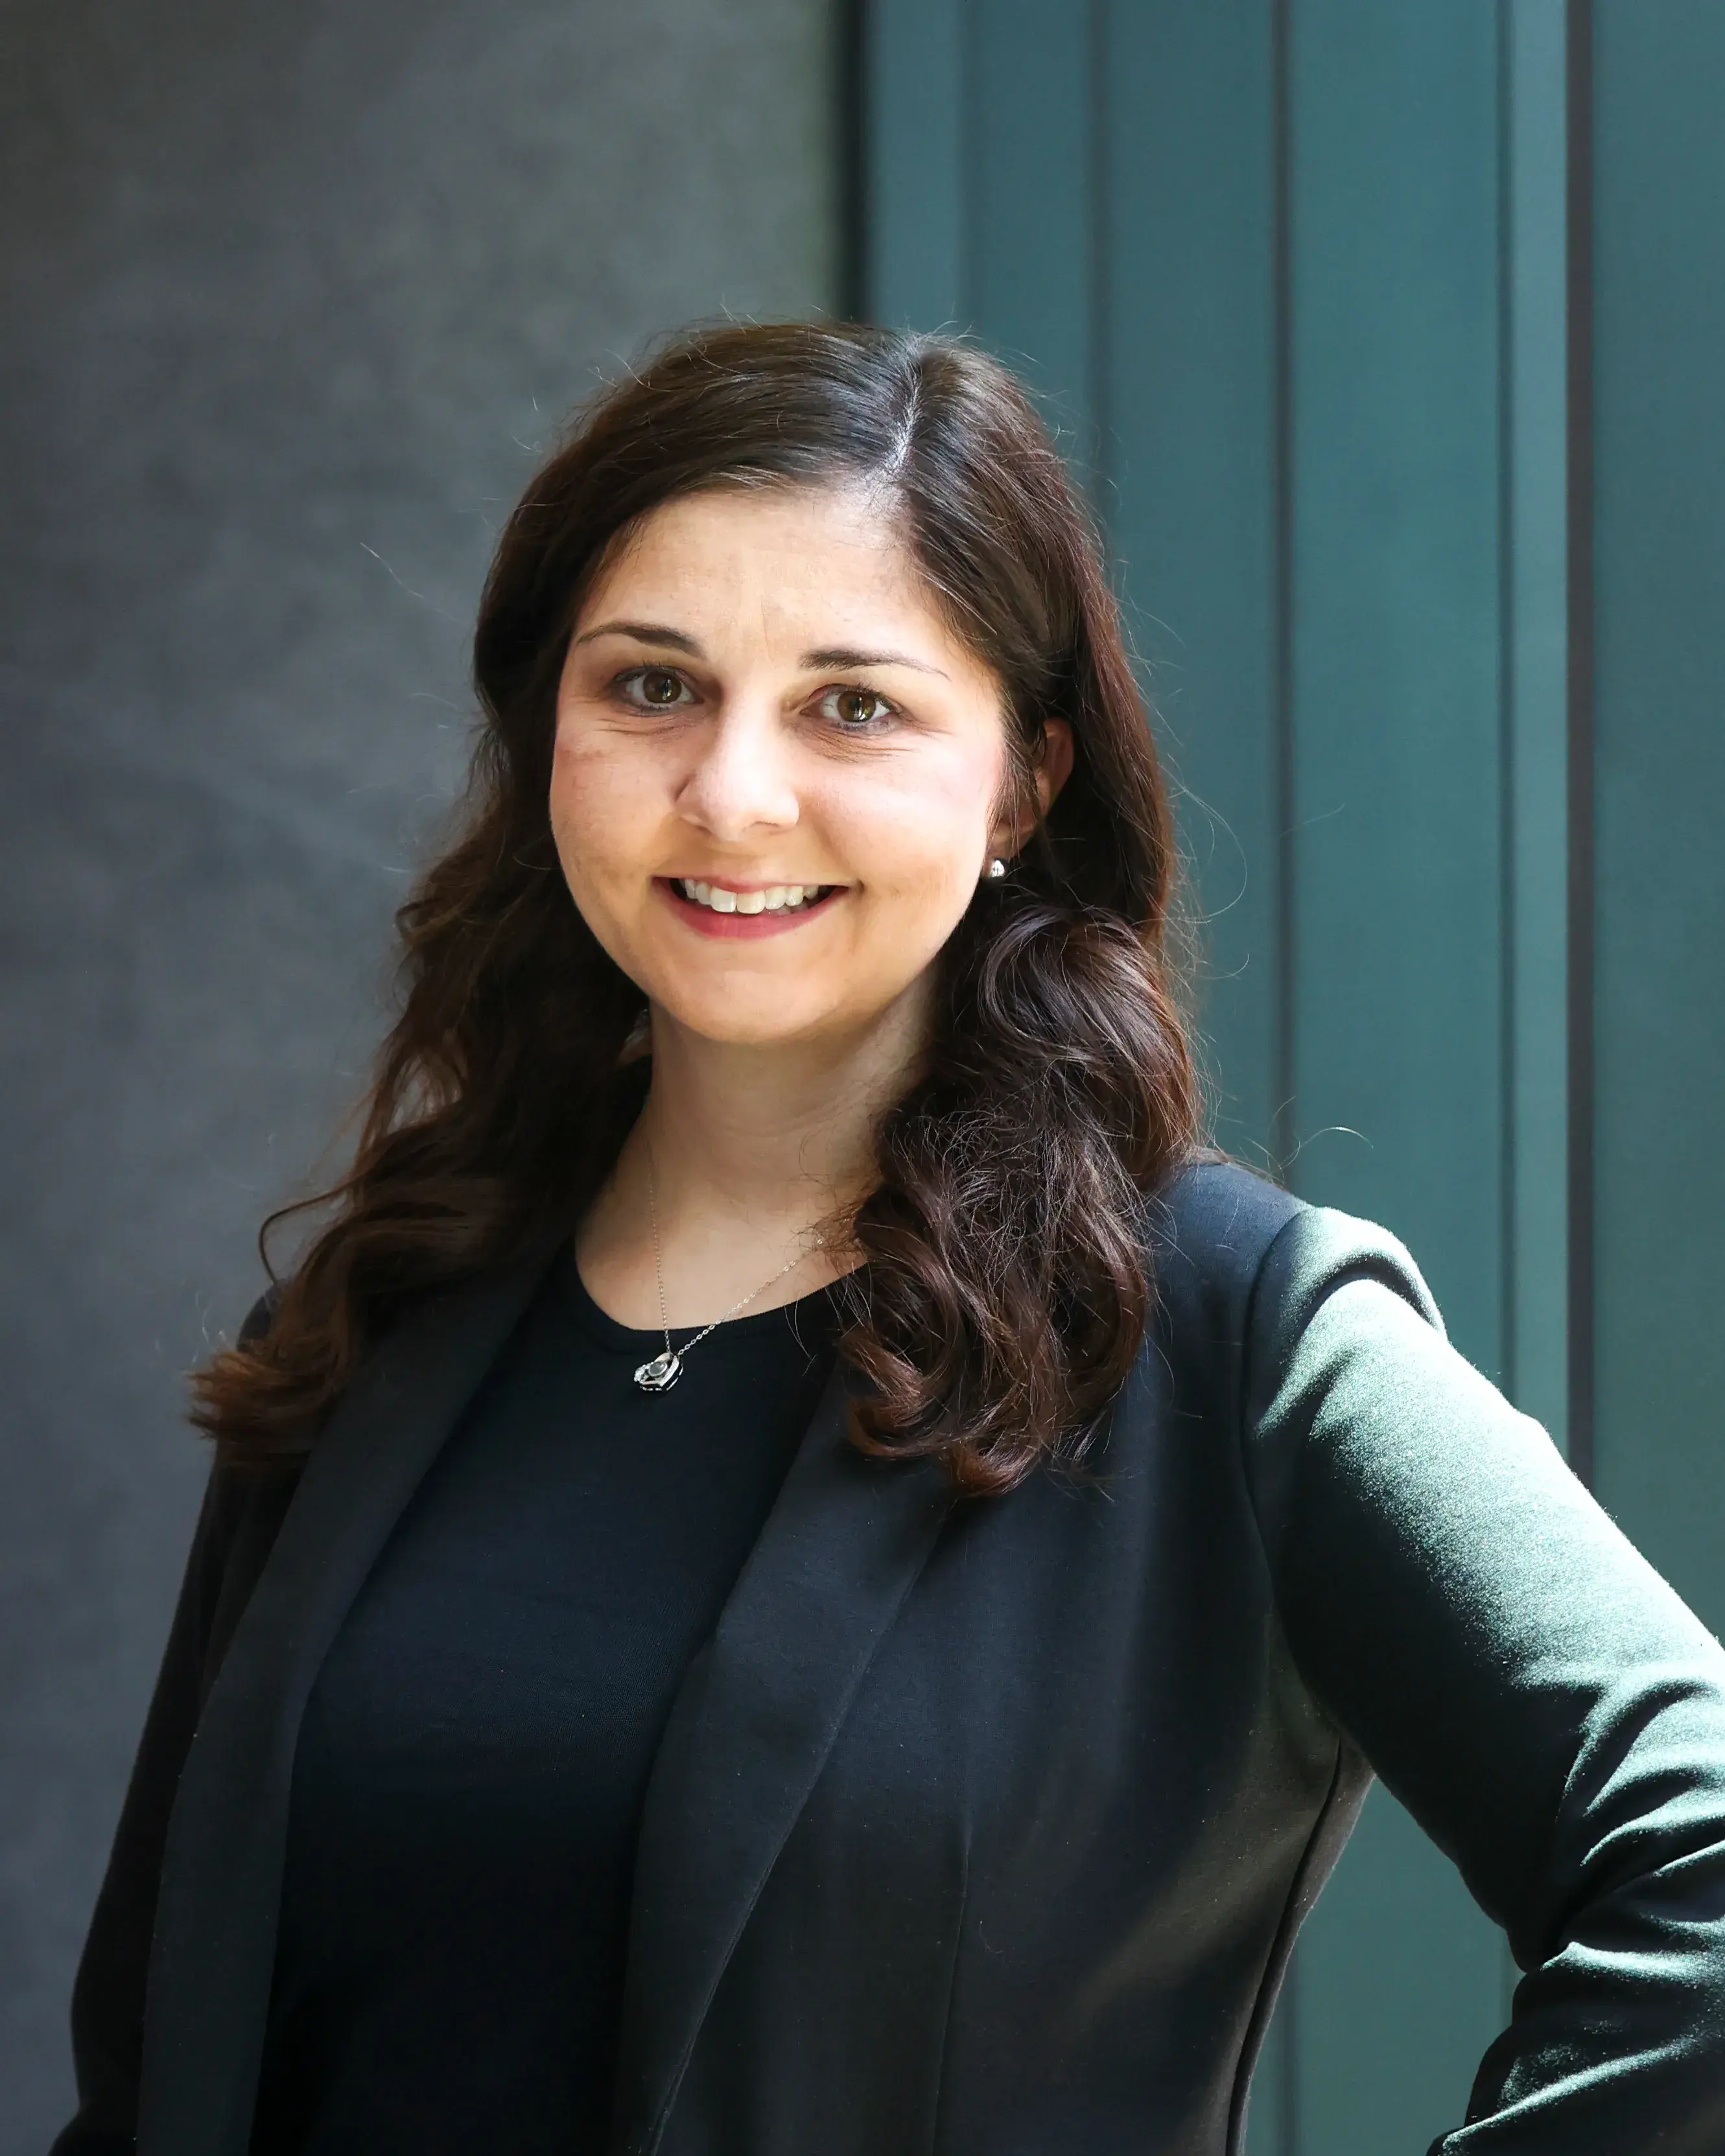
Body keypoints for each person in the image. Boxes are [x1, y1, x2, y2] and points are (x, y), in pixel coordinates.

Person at [53, 322, 1725, 2156]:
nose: (733, 793)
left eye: (852, 703)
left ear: (1020, 781)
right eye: (651, 686)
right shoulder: (377, 1318)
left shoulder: (1237, 1335)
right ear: (549, 730)